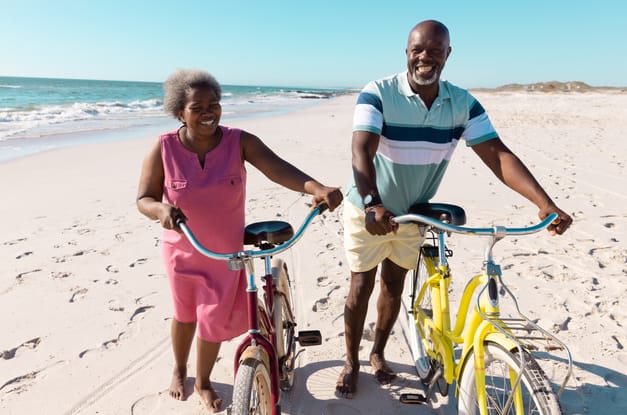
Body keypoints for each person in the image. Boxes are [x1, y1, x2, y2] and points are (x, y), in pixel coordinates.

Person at [336, 20, 573, 398]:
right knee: (360, 287)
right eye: (417, 50)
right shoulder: (378, 92)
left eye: (434, 50)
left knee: (394, 287)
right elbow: (360, 151)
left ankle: (378, 353)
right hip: (369, 209)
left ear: (448, 54)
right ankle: (351, 360)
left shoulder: (462, 103)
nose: (424, 57)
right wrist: (371, 202)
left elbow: (497, 155)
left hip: (414, 212)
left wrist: (545, 204)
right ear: (406, 53)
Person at [136, 69, 343, 412]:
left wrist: (315, 188)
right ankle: (180, 368)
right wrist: (160, 210)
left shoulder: (239, 141)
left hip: (225, 254)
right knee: (185, 314)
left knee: (213, 320)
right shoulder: (163, 148)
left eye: (214, 104)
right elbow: (143, 198)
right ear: (179, 112)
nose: (208, 112)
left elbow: (278, 168)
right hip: (182, 251)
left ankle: (202, 381)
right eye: (197, 106)